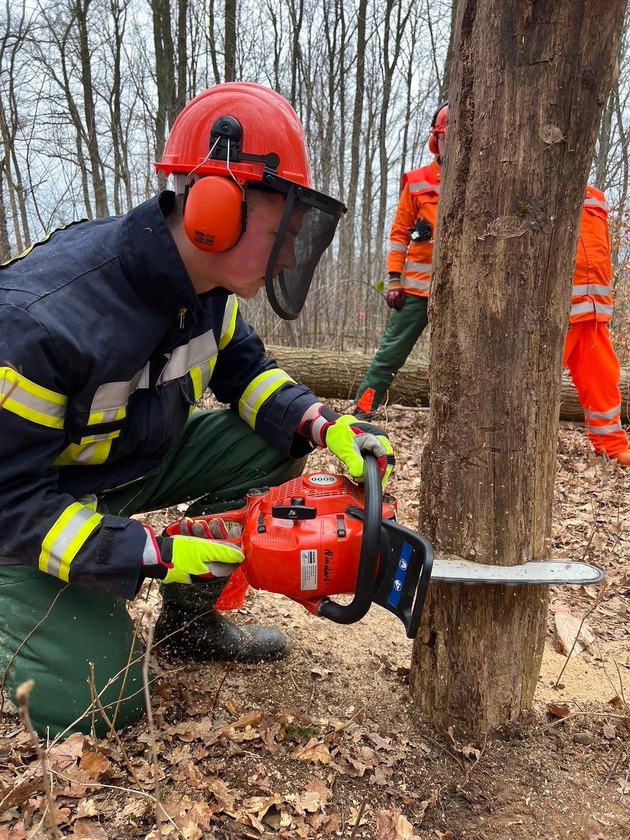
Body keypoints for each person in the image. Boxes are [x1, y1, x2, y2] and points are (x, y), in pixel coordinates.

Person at [0, 82, 394, 739]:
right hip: (27, 512)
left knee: (273, 443)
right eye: (282, 232)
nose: (291, 255)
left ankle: (188, 625)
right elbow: (10, 501)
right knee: (103, 701)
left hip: (119, 469)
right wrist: (147, 550)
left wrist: (325, 424)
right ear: (216, 208)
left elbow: (249, 376)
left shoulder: (210, 291)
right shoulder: (40, 321)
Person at [352, 102, 448, 418]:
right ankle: (362, 410)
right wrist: (394, 279)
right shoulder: (418, 182)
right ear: (437, 140)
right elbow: (399, 234)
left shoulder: (480, 182)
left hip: (458, 295)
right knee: (389, 355)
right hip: (417, 291)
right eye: (446, 137)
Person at [563, 186, 630, 465]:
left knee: (603, 378)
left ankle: (611, 445)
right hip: (559, 312)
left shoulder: (596, 197)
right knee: (527, 382)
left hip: (594, 309)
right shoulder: (537, 181)